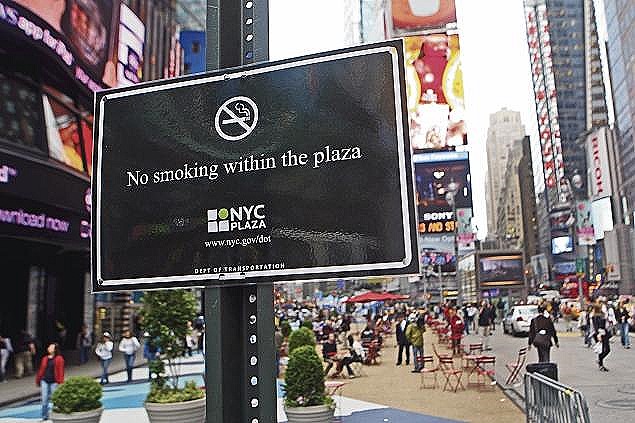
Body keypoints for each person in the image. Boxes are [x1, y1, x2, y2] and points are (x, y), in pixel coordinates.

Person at [36, 342, 64, 421]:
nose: (49, 348)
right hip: (44, 380)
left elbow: (61, 371)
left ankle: (57, 414)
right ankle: (44, 416)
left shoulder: (59, 358)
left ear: (55, 350)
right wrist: (38, 380)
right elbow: (41, 370)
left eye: (51, 347)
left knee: (55, 398)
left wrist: (61, 382)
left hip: (54, 381)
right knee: (44, 399)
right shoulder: (45, 358)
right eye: (49, 347)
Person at [591, 303, 611, 371]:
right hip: (600, 334)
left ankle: (600, 361)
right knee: (603, 350)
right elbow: (596, 327)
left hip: (604, 333)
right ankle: (601, 364)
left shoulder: (602, 315)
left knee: (607, 350)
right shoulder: (595, 316)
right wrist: (599, 335)